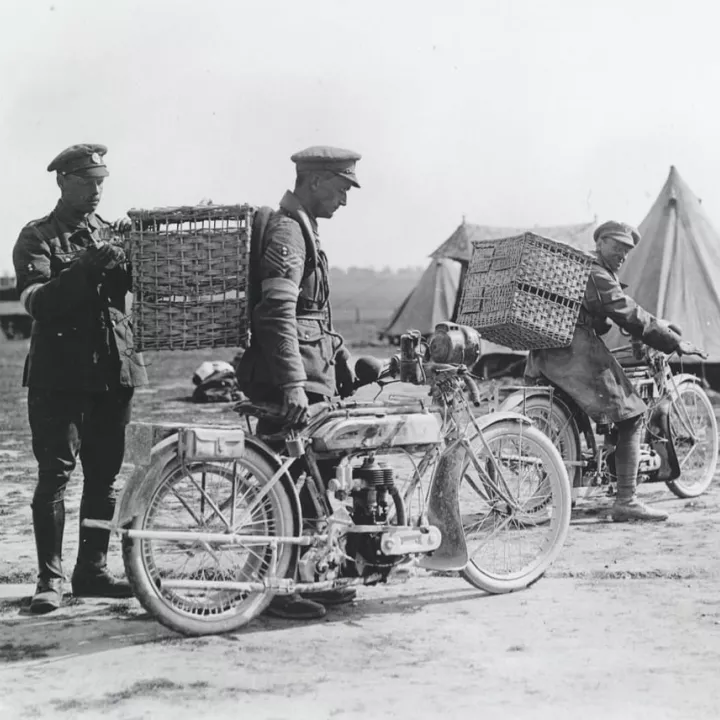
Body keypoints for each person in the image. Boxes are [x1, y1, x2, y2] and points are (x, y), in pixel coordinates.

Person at [12, 144, 148, 614]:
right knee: (55, 476)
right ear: (62, 181)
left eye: (101, 181)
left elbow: (135, 293)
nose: (97, 189)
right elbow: (39, 303)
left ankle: (92, 570)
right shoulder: (37, 238)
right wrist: (90, 265)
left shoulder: (109, 233)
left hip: (114, 373)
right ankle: (49, 580)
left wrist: (135, 252)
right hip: (61, 378)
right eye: (88, 181)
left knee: (105, 477)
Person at [237, 145, 360, 619]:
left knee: (315, 478)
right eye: (341, 188)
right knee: (286, 483)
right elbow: (277, 313)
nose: (345, 200)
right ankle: (278, 590)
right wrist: (291, 383)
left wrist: (341, 355)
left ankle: (312, 573)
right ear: (314, 181)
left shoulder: (305, 227)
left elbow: (313, 313)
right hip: (292, 375)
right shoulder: (289, 232)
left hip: (314, 369)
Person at [525, 220, 703, 522]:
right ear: (601, 242)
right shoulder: (595, 273)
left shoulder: (576, 270)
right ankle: (627, 499)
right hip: (574, 353)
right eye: (617, 246)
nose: (622, 254)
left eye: (626, 251)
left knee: (563, 423)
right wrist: (673, 341)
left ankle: (553, 490)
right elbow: (626, 311)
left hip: (543, 356)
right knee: (632, 414)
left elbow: (605, 314)